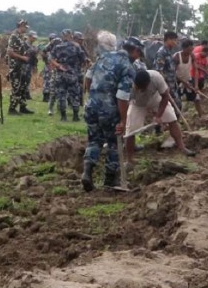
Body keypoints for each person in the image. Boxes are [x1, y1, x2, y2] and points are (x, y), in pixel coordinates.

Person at [81, 35, 139, 192]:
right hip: (109, 109)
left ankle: (87, 172)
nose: (138, 56)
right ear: (133, 51)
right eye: (138, 53)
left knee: (94, 141)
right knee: (114, 142)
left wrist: (91, 96)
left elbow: (87, 77)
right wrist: (122, 120)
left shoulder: (104, 57)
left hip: (91, 106)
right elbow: (122, 96)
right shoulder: (127, 66)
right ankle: (110, 180)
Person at [125, 70, 196, 164]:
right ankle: (130, 159)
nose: (142, 90)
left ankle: (182, 147)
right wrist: (123, 119)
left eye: (144, 88)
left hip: (155, 98)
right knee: (130, 131)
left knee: (172, 119)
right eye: (139, 88)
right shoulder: (127, 83)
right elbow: (123, 103)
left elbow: (165, 96)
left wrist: (158, 116)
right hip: (137, 103)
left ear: (148, 82)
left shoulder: (156, 77)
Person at [49, 29, 86, 122]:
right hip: (73, 74)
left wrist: (58, 65)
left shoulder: (57, 47)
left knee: (61, 95)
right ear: (71, 36)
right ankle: (75, 116)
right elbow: (83, 59)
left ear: (62, 36)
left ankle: (63, 116)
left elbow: (51, 58)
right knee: (74, 95)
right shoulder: (76, 47)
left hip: (60, 74)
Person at [6, 19, 33, 115]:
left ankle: (22, 106)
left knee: (23, 87)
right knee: (16, 87)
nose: (26, 29)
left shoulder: (21, 37)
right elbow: (10, 52)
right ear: (21, 26)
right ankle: (12, 108)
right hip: (15, 66)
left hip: (22, 66)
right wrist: (22, 57)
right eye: (25, 27)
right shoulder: (14, 36)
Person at [173, 39, 203, 117]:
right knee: (177, 101)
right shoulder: (176, 57)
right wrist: (183, 82)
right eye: (189, 50)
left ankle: (201, 116)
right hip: (177, 81)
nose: (190, 52)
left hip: (188, 79)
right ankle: (177, 119)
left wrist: (196, 85)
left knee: (197, 98)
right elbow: (172, 73)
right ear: (183, 48)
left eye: (191, 50)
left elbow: (196, 70)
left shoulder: (192, 56)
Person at [154, 31, 181, 111]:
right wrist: (165, 86)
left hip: (173, 84)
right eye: (175, 40)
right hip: (167, 86)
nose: (176, 42)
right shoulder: (161, 53)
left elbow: (171, 70)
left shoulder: (169, 52)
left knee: (176, 106)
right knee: (175, 107)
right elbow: (159, 71)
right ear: (168, 39)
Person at [41, 33, 57, 103]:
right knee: (47, 81)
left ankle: (52, 96)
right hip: (48, 66)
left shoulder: (56, 46)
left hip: (54, 66)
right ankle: (45, 96)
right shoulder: (48, 46)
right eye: (52, 39)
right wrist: (46, 61)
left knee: (53, 81)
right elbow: (43, 54)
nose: (53, 40)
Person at [24, 30, 39, 101]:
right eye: (33, 37)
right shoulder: (25, 44)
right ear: (29, 37)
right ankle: (24, 94)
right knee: (24, 80)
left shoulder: (32, 46)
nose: (34, 39)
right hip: (24, 65)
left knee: (28, 80)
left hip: (30, 65)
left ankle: (26, 93)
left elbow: (34, 57)